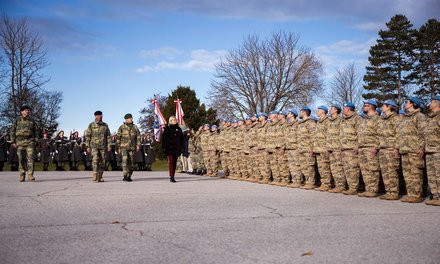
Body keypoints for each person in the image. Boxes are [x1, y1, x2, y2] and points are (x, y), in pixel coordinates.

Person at [397, 97, 427, 203]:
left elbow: (424, 133)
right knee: (407, 174)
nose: (406, 104)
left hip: (415, 150)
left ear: (413, 104)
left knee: (415, 173)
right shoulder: (406, 118)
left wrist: (422, 148)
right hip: (405, 150)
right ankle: (411, 194)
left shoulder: (419, 116)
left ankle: (417, 195)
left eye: (407, 102)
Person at [357, 99, 381, 198]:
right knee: (365, 170)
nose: (364, 107)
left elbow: (381, 134)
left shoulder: (378, 119)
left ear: (371, 106)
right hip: (362, 148)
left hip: (371, 148)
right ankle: (368, 189)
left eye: (366, 105)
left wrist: (376, 147)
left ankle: (373, 190)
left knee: (373, 170)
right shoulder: (364, 119)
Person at [11, 105, 37, 182]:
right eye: (25, 110)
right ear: (21, 112)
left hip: (30, 142)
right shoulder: (17, 120)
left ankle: (30, 175)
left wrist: (36, 140)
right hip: (20, 142)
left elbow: (36, 131)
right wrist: (13, 141)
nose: (27, 111)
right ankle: (22, 175)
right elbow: (12, 130)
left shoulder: (32, 120)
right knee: (21, 159)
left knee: (30, 159)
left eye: (28, 110)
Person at [85, 110, 111, 182]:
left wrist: (109, 145)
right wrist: (87, 146)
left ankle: (100, 176)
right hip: (94, 146)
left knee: (103, 161)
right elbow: (87, 136)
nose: (100, 116)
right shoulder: (91, 125)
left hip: (103, 146)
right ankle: (95, 174)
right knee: (95, 159)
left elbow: (108, 136)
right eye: (98, 115)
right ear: (95, 116)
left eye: (100, 115)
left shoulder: (105, 125)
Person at [424, 95, 440, 206]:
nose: (430, 104)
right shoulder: (429, 118)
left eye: (432, 102)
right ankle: (435, 196)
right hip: (429, 150)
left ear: (437, 103)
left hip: (438, 149)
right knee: (431, 175)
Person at [117, 113, 141, 182]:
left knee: (132, 163)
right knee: (124, 162)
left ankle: (129, 176)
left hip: (132, 147)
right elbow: (118, 137)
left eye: (131, 118)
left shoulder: (135, 127)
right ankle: (125, 175)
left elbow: (138, 136)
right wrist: (118, 147)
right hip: (123, 147)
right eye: (129, 118)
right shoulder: (121, 127)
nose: (131, 119)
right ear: (126, 119)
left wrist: (138, 145)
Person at [162, 116, 184, 182]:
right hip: (169, 149)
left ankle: (173, 175)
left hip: (177, 149)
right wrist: (164, 148)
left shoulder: (179, 129)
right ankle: (171, 176)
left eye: (175, 119)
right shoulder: (167, 129)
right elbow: (164, 139)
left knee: (174, 162)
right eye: (173, 120)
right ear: (170, 121)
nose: (175, 120)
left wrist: (181, 147)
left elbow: (181, 139)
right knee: (171, 161)